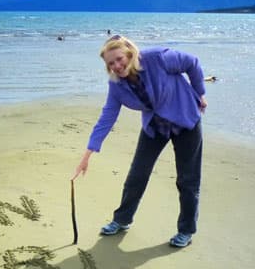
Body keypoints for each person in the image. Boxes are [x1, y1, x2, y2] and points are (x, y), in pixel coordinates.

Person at [72, 35, 207, 248]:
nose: (117, 65)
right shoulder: (116, 85)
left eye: (119, 58)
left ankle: (186, 230)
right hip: (155, 127)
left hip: (185, 120)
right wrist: (87, 154)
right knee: (137, 175)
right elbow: (108, 115)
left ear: (130, 53)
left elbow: (192, 63)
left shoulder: (157, 58)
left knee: (187, 181)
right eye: (111, 63)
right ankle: (122, 219)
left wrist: (200, 92)